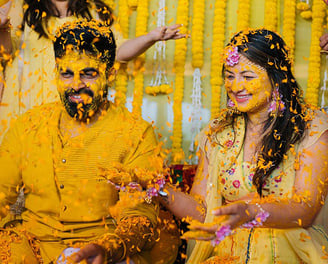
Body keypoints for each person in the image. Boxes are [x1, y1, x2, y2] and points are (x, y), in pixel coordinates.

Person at [0, 19, 179, 264]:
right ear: (56, 72)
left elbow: (139, 215)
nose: (76, 84)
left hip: (102, 250)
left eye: (88, 74)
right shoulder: (28, 126)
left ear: (111, 74)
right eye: (66, 73)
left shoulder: (136, 134)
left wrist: (106, 248)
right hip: (33, 247)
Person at [158, 28, 328, 263]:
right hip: (227, 254)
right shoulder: (217, 132)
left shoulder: (311, 126)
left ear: (277, 78)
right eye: (229, 76)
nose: (236, 86)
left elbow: (305, 207)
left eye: (247, 77)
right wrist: (157, 189)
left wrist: (250, 211)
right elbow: (203, 212)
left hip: (291, 252)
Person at [0, 0, 185, 141]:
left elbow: (118, 51)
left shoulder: (95, 11)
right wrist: (2, 28)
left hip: (75, 98)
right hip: (27, 101)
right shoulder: (21, 6)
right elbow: (6, 51)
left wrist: (150, 38)